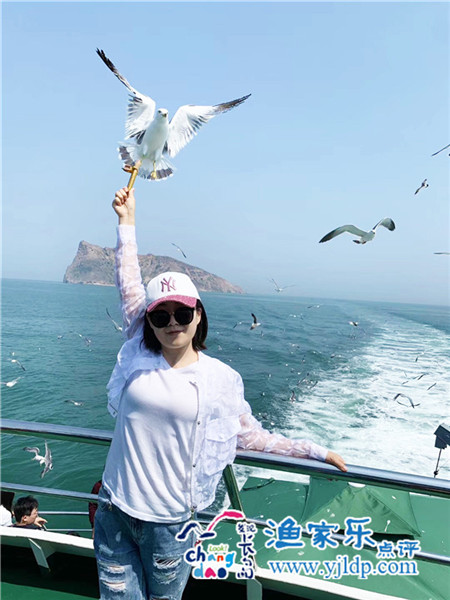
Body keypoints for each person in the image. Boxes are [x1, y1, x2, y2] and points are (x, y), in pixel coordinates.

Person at [94, 186, 347, 600]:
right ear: (149, 321)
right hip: (115, 509)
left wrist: (314, 451)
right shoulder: (139, 351)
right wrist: (126, 221)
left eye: (182, 313)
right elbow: (129, 284)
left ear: (198, 315)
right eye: (161, 315)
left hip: (170, 526)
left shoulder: (220, 379)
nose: (172, 323)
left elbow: (250, 437)